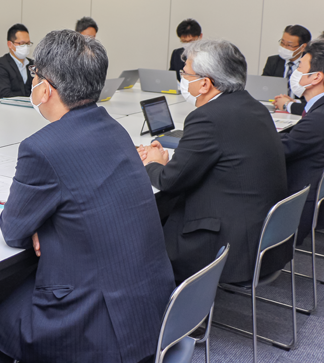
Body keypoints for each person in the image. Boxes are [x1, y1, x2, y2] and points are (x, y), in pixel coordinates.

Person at [0, 30, 174, 363]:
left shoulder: (41, 148)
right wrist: (45, 221)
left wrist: (36, 221)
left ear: (45, 88)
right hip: (150, 308)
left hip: (95, 323)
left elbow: (13, 231)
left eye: (35, 75)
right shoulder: (115, 130)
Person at [139, 40, 288, 284]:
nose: (182, 79)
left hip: (231, 245)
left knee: (140, 231)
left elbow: (169, 181)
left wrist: (152, 163)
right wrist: (169, 165)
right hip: (261, 235)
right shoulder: (254, 106)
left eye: (185, 73)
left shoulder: (207, 118)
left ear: (205, 83)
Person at [280, 39, 324, 243]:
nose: (295, 72)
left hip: (296, 206)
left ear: (316, 77)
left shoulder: (318, 118)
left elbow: (283, 149)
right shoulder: (316, 110)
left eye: (300, 67)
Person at [265, 24, 312, 115]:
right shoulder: (273, 61)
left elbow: (313, 99)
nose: (284, 48)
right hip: (276, 110)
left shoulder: (311, 65)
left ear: (303, 47)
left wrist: (291, 103)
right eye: (282, 43)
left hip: (300, 112)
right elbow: (264, 87)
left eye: (289, 45)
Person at [0, 23, 33, 98]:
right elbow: (5, 94)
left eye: (28, 43)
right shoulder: (0, 65)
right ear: (10, 44)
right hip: (7, 107)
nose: (26, 47)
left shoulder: (33, 64)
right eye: (22, 43)